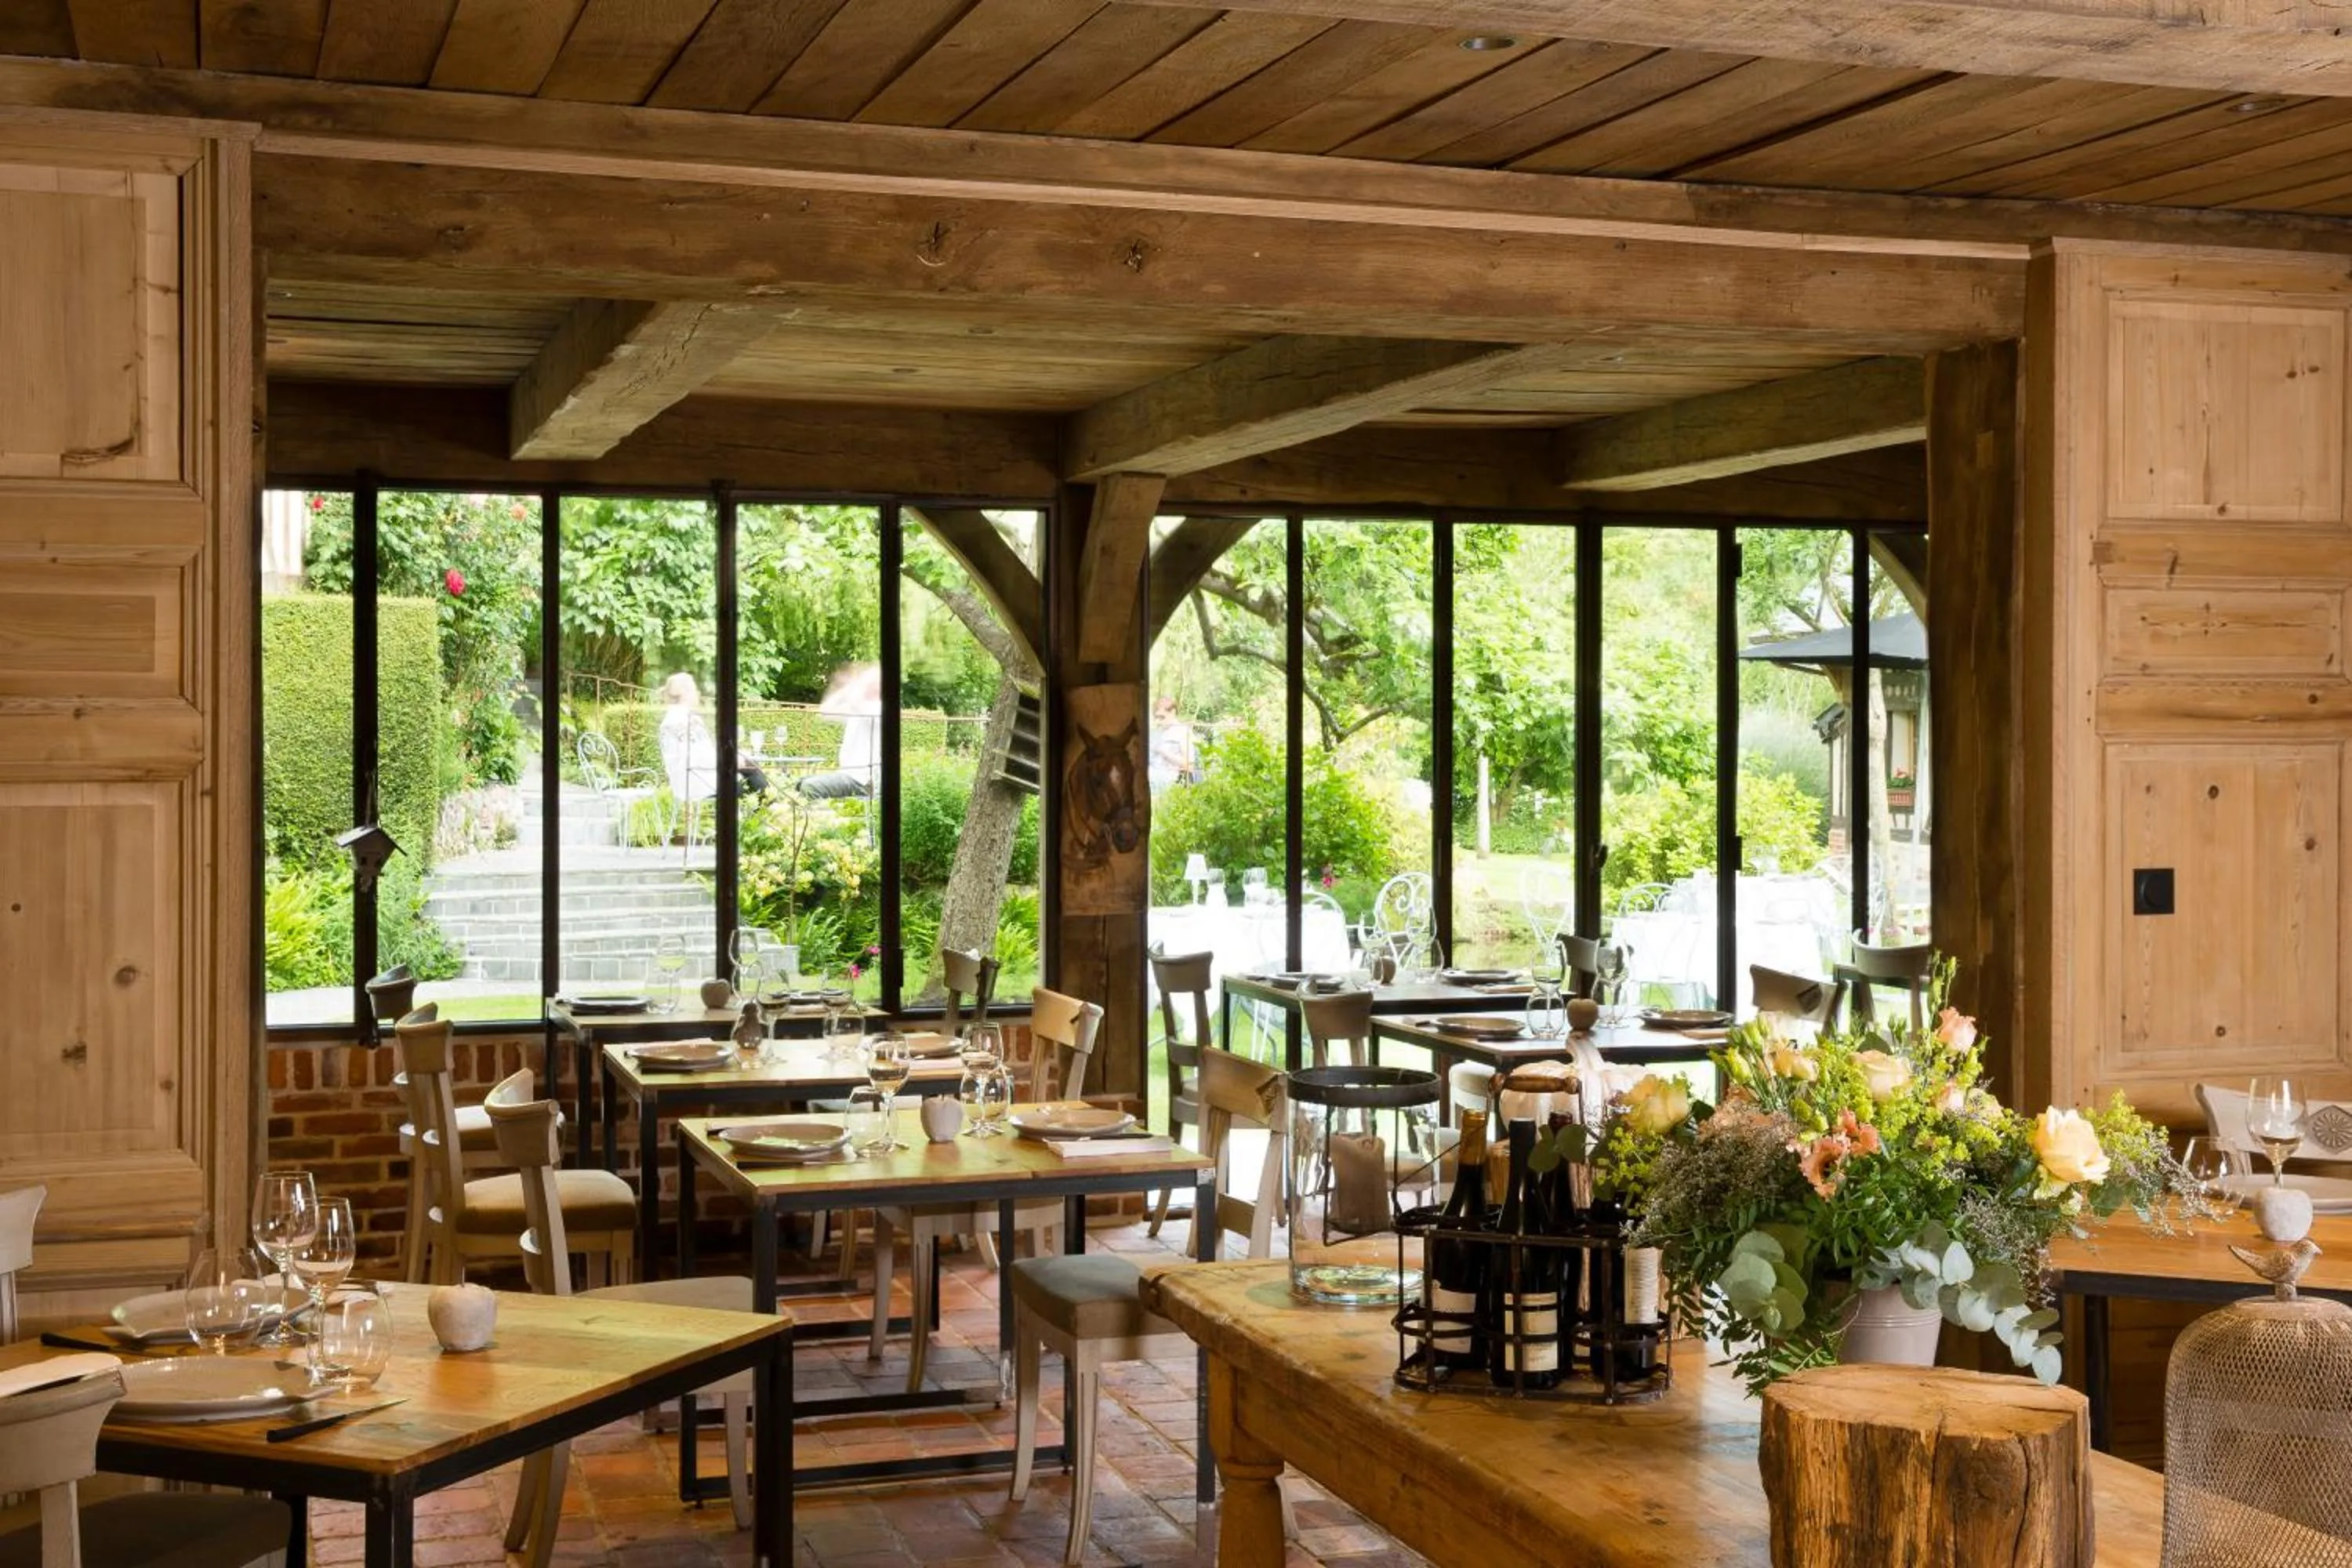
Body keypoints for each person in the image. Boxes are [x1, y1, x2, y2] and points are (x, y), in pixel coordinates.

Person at [800, 662, 880, 800]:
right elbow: (825, 711)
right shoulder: (859, 708)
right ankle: (819, 812)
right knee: (800, 782)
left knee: (810, 786)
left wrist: (852, 684)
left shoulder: (878, 709)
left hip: (862, 781)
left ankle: (819, 814)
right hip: (848, 775)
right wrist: (844, 688)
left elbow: (856, 701)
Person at [1149, 693, 1198, 790]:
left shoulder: (1183, 732)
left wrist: (1164, 752)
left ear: (1173, 713)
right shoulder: (1154, 733)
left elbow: (1189, 766)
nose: (1159, 721)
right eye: (1156, 717)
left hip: (1170, 777)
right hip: (1151, 771)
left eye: (1162, 717)